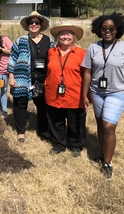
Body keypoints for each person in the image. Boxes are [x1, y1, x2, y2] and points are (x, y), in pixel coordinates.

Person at [81, 12, 124, 179]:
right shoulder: (93, 47)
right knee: (100, 124)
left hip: (117, 92)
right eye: (104, 28)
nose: (107, 31)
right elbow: (87, 72)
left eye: (111, 28)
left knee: (108, 126)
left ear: (117, 29)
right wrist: (85, 95)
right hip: (97, 92)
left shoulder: (122, 47)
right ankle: (103, 152)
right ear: (99, 30)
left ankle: (107, 162)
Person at [8, 11, 53, 142]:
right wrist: (11, 77)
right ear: (27, 25)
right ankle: (21, 132)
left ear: (41, 25)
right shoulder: (20, 40)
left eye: (37, 22)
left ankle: (43, 130)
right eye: (31, 22)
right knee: (20, 104)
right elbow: (12, 58)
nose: (34, 24)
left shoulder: (48, 41)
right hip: (22, 76)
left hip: (42, 78)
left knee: (43, 105)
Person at [44, 25, 86, 157]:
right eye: (62, 34)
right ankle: (59, 144)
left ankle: (75, 145)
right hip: (53, 93)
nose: (65, 37)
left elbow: (86, 75)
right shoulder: (51, 52)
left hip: (74, 93)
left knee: (75, 121)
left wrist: (87, 96)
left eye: (69, 34)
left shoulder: (82, 53)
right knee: (56, 120)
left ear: (74, 37)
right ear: (57, 38)